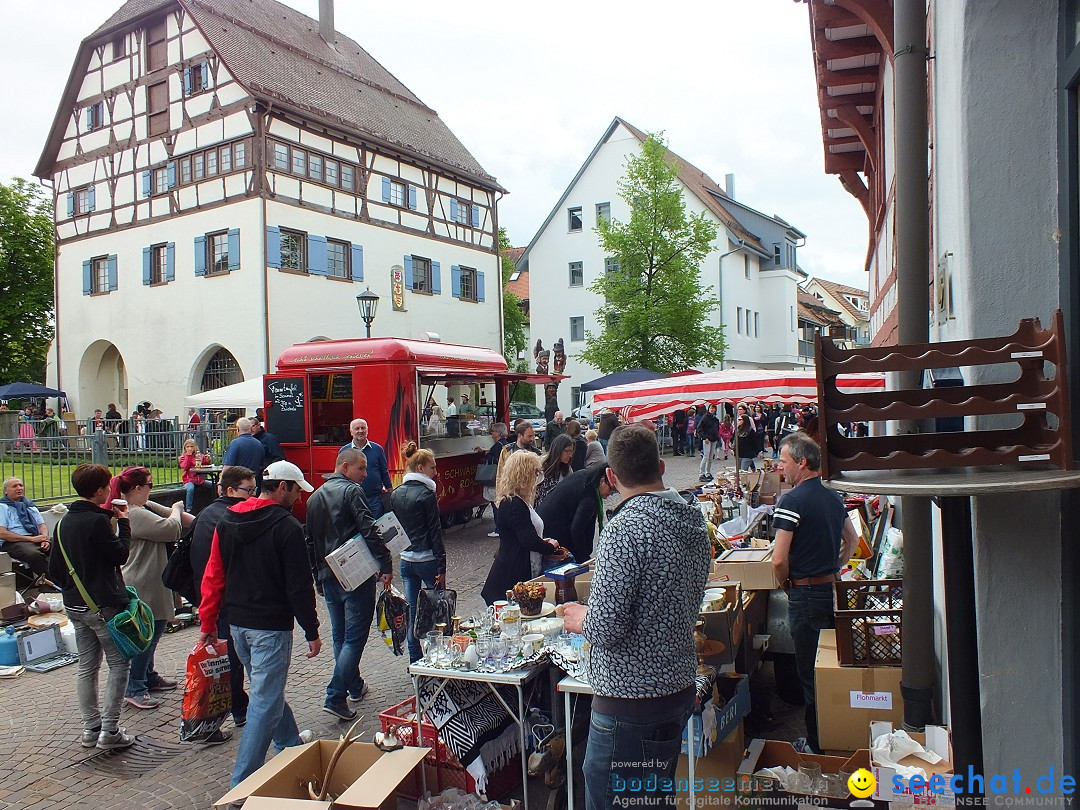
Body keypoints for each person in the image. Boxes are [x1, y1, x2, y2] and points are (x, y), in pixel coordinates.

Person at [562, 425, 710, 810]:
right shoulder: (693, 519)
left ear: (612, 476)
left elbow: (607, 627)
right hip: (675, 686)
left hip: (631, 701)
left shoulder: (624, 529)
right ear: (661, 465)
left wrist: (580, 617)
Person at [198, 460, 321, 788]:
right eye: (296, 490)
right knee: (264, 701)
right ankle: (242, 783)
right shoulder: (288, 527)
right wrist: (311, 629)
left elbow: (214, 575)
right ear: (283, 487)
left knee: (267, 690)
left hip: (238, 624)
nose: (298, 498)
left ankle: (290, 743)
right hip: (269, 626)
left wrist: (208, 621)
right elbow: (298, 585)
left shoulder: (227, 519)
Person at [771, 431, 859, 754]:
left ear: (802, 462)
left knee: (810, 673)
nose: (781, 468)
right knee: (831, 669)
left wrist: (786, 582)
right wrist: (834, 566)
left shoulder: (791, 500)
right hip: (832, 591)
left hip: (805, 595)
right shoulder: (833, 495)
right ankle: (836, 734)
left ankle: (817, 744)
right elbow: (851, 540)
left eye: (784, 461)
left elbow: (779, 558)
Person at [49, 464, 136, 750]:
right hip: (101, 606)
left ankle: (91, 728)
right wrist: (123, 522)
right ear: (100, 490)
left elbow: (55, 572)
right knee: (119, 663)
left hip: (75, 605)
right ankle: (110, 731)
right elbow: (121, 554)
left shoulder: (62, 523)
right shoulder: (97, 522)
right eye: (108, 486)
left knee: (87, 665)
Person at [305, 448, 389, 719]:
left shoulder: (315, 496)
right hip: (355, 573)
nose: (365, 474)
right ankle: (335, 694)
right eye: (361, 469)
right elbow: (370, 529)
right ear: (344, 467)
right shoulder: (352, 492)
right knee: (353, 638)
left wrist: (317, 575)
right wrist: (385, 563)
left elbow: (311, 541)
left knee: (341, 635)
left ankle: (353, 685)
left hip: (328, 574)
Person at [107, 467, 190, 710]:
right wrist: (176, 509)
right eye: (149, 486)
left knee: (157, 626)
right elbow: (171, 529)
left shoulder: (140, 509)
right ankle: (136, 686)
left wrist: (164, 508)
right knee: (148, 634)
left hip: (150, 578)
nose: (151, 491)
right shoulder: (134, 514)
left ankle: (149, 676)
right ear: (137, 489)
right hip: (142, 581)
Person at [189, 465, 255, 734]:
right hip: (226, 599)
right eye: (248, 490)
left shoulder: (207, 513)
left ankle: (237, 708)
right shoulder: (231, 516)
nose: (253, 496)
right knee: (233, 659)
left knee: (228, 658)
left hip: (211, 598)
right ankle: (238, 711)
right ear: (230, 490)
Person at [391, 443, 446, 663]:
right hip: (427, 559)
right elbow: (435, 532)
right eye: (433, 467)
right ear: (421, 468)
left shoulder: (396, 494)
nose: (436, 471)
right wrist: (441, 566)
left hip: (406, 559)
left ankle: (415, 660)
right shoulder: (426, 494)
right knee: (438, 610)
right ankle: (438, 657)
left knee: (413, 612)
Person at [480, 451, 559, 605]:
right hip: (512, 571)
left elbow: (526, 534)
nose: (537, 478)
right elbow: (528, 540)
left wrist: (541, 541)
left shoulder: (518, 500)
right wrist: (549, 547)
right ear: (524, 475)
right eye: (534, 473)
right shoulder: (513, 503)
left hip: (518, 565)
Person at [536, 462, 616, 562]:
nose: (610, 494)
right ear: (602, 480)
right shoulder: (589, 496)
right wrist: (584, 558)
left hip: (545, 521)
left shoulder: (585, 476)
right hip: (552, 531)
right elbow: (577, 529)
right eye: (611, 490)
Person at [0, 477, 51, 585]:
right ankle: (52, 584)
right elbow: (2, 533)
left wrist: (45, 539)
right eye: (14, 486)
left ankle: (70, 580)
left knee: (62, 545)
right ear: (5, 491)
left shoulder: (29, 505)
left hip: (35, 538)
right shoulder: (2, 507)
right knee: (34, 554)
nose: (19, 488)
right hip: (14, 542)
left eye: (21, 485)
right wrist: (31, 539)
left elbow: (42, 526)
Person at [339, 418, 392, 519]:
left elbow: (384, 472)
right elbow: (340, 475)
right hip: (352, 499)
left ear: (367, 430)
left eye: (363, 428)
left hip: (374, 499)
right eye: (357, 428)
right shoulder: (344, 451)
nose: (360, 431)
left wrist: (391, 493)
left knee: (376, 528)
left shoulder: (377, 449)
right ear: (351, 432)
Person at [478, 422, 510, 536]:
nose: (491, 433)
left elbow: (492, 458)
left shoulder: (497, 446)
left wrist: (483, 453)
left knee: (495, 503)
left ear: (499, 433)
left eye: (493, 431)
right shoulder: (507, 444)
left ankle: (498, 529)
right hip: (504, 477)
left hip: (496, 478)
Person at [536, 434, 574, 508]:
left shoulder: (567, 470)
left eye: (571, 452)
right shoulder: (540, 464)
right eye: (568, 451)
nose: (570, 455)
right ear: (558, 449)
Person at [179, 439, 207, 512]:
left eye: (192, 446)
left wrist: (207, 459)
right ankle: (189, 508)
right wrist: (188, 456)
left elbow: (205, 464)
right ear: (185, 448)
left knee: (213, 485)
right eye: (187, 447)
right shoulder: (183, 458)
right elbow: (185, 467)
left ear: (195, 447)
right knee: (190, 489)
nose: (190, 448)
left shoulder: (199, 456)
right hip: (189, 480)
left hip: (200, 480)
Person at [696, 403, 720, 481]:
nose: (712, 409)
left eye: (713, 408)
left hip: (714, 439)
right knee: (706, 456)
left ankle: (708, 472)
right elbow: (699, 428)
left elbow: (717, 429)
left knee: (710, 457)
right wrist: (704, 437)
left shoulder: (715, 419)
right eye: (710, 408)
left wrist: (717, 437)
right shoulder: (705, 417)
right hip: (707, 439)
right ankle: (701, 473)